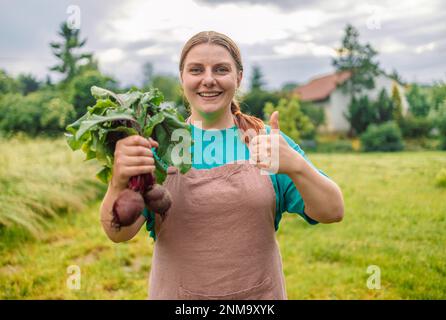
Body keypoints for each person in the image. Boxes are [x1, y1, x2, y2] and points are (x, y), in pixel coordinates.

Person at [100, 31, 344, 300]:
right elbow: (119, 233)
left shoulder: (267, 142)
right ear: (182, 78)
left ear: (238, 77)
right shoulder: (156, 145)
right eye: (196, 70)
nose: (208, 80)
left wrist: (297, 165)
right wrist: (118, 180)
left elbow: (332, 210)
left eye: (221, 69)